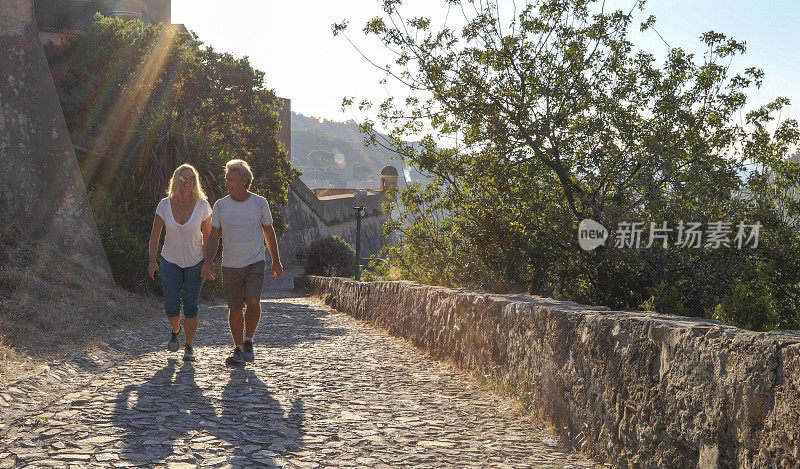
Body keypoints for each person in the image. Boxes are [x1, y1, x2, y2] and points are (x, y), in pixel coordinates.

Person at [202, 159, 283, 365]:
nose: (227, 183)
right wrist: (208, 262)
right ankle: (238, 348)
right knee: (235, 308)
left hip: (255, 261)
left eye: (231, 180)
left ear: (244, 181)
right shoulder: (220, 205)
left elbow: (268, 231)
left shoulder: (259, 203)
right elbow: (214, 236)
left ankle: (248, 341)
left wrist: (276, 260)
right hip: (230, 264)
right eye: (227, 179)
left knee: (253, 301)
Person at [148, 164, 212, 362]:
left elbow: (209, 237)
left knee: (192, 307)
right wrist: (152, 261)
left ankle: (189, 346)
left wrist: (208, 263)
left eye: (191, 177)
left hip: (196, 261)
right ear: (176, 180)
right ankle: (176, 329)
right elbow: (155, 234)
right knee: (171, 308)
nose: (187, 181)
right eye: (183, 177)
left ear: (195, 181)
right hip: (170, 261)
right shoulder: (164, 205)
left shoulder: (202, 205)